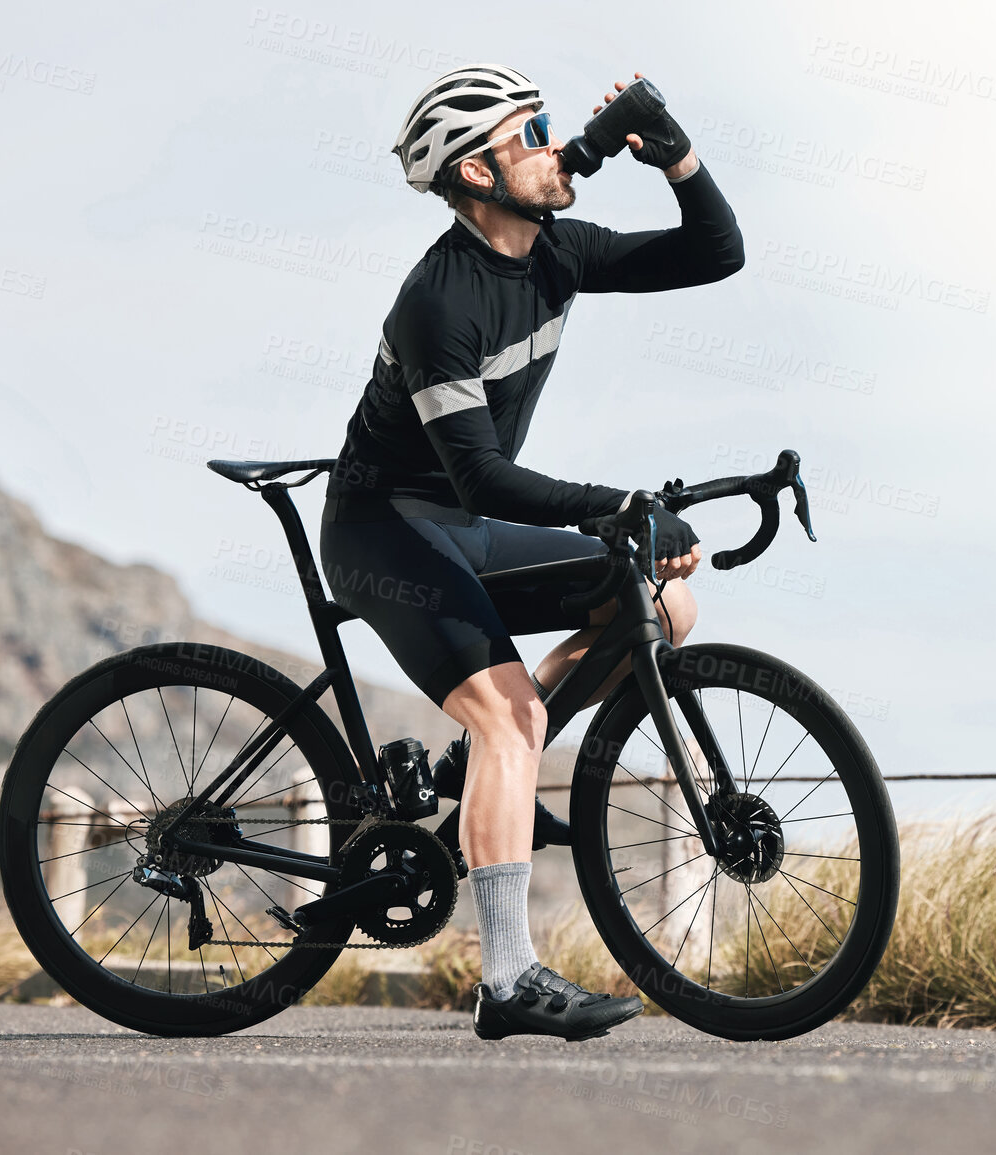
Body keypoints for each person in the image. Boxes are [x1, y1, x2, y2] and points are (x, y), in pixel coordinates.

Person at [318, 63, 744, 1040]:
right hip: (385, 530)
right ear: (476, 171)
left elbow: (717, 253)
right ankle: (507, 981)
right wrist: (623, 505)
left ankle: (484, 778)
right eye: (533, 131)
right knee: (509, 720)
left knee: (662, 606)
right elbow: (483, 483)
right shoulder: (439, 301)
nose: (557, 143)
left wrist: (672, 151)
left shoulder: (557, 250)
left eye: (552, 124)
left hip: (458, 526)